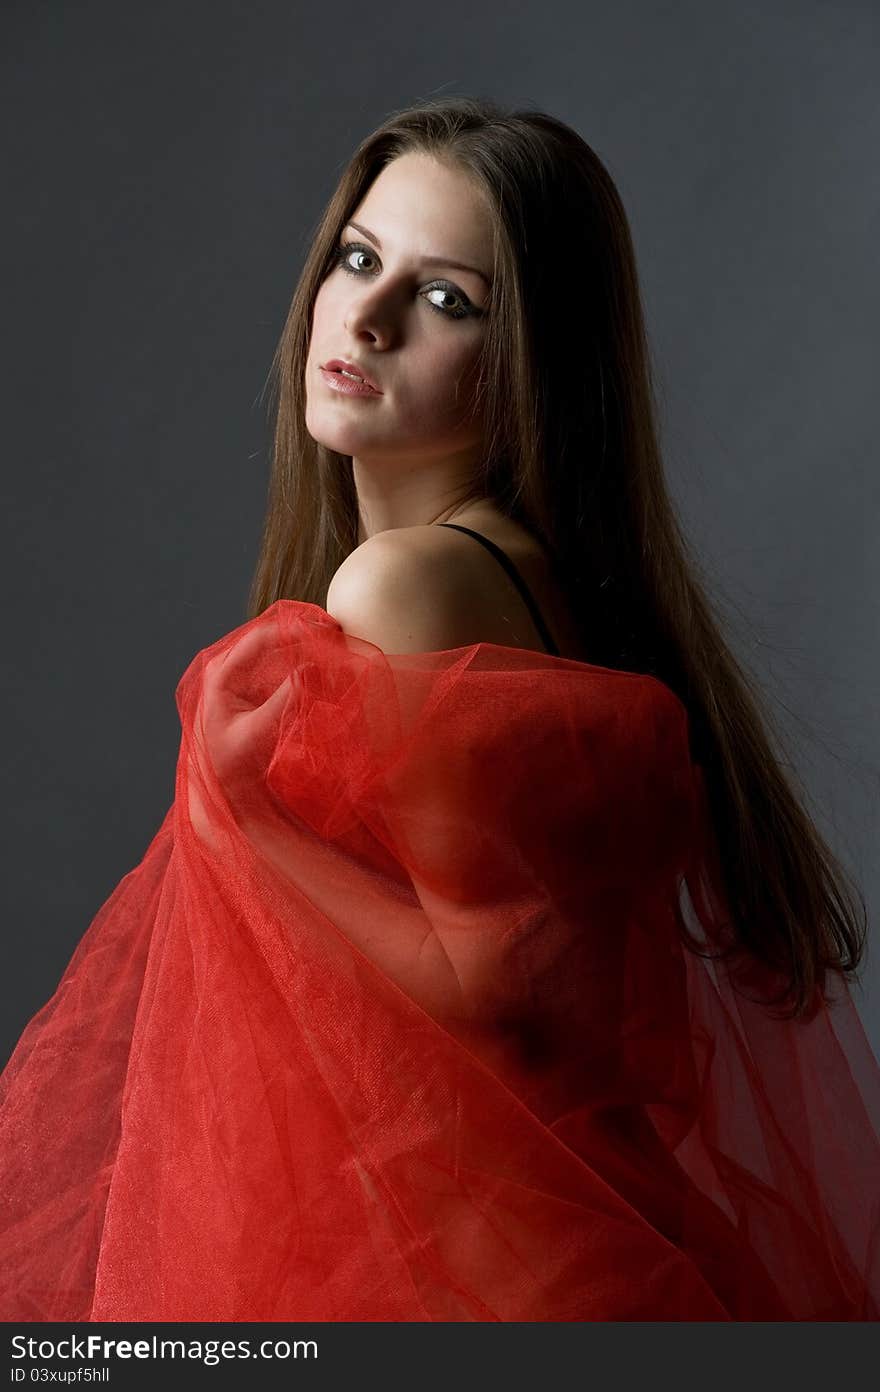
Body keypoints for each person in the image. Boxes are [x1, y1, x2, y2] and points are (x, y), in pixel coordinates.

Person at [2, 95, 879, 1323]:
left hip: (477, 1285)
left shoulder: (410, 578)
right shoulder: (525, 573)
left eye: (445, 299)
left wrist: (233, 827)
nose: (363, 316)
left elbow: (499, 983)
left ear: (530, 366)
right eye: (359, 260)